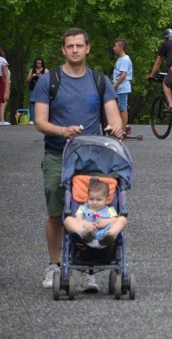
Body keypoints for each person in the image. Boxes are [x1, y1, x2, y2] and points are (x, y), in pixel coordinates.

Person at [32, 27, 123, 292]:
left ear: (87, 48)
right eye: (69, 46)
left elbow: (113, 114)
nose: (74, 50)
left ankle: (88, 269)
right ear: (63, 50)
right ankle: (55, 264)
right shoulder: (49, 80)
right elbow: (39, 121)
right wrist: (63, 131)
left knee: (91, 209)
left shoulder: (100, 80)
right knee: (56, 212)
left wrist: (115, 127)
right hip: (57, 154)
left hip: (91, 158)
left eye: (79, 46)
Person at [62, 177, 127, 249]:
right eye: (91, 199)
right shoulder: (83, 208)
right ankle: (83, 233)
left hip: (104, 235)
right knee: (68, 220)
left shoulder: (110, 210)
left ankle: (110, 235)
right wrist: (85, 223)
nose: (94, 202)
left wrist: (107, 221)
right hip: (84, 237)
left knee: (122, 219)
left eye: (99, 200)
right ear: (87, 198)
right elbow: (78, 219)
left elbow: (114, 220)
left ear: (107, 200)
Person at [112, 39, 133, 135]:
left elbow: (123, 75)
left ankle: (123, 131)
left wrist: (115, 85)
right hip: (119, 88)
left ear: (120, 48)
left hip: (122, 88)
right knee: (119, 108)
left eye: (115, 46)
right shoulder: (120, 59)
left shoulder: (125, 59)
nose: (114, 48)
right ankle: (121, 127)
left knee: (123, 108)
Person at [0, 47, 10, 125]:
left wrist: (7, 89)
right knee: (2, 101)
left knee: (2, 101)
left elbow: (6, 75)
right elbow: (6, 75)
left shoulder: (2, 60)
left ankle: (2, 120)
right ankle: (2, 120)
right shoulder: (2, 60)